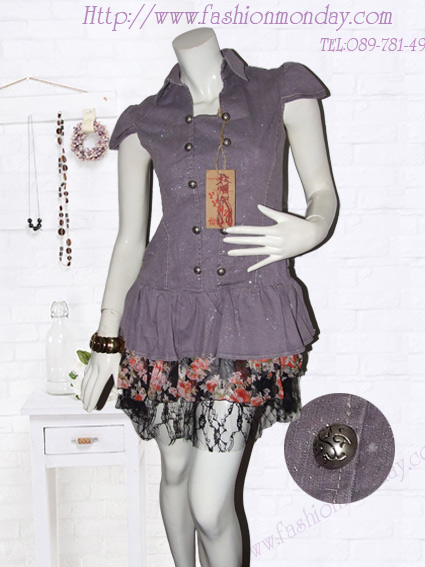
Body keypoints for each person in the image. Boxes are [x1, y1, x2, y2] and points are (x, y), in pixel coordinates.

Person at [81, 27, 337, 567]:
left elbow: (322, 191)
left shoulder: (280, 91)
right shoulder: (145, 119)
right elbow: (130, 239)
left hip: (246, 317)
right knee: (174, 471)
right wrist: (106, 339)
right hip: (162, 318)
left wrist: (312, 228)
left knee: (208, 502)